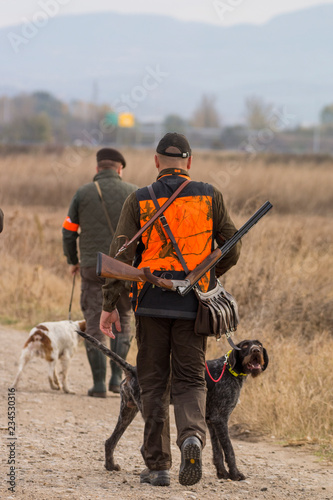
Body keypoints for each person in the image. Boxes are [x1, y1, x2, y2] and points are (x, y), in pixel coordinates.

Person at [99, 133, 241, 486]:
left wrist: (109, 305)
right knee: (192, 379)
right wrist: (203, 277)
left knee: (153, 382)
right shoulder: (210, 195)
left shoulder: (140, 198)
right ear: (189, 163)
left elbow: (120, 256)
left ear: (156, 161)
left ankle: (159, 465)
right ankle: (192, 436)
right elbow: (232, 248)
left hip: (149, 304)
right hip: (193, 307)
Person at [62, 148, 137, 398]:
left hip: (92, 268)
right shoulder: (134, 193)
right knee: (123, 319)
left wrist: (74, 260)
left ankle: (98, 384)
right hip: (126, 269)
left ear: (97, 169)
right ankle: (117, 379)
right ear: (119, 170)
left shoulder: (83, 193)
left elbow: (68, 231)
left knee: (95, 322)